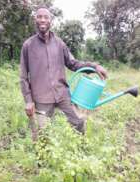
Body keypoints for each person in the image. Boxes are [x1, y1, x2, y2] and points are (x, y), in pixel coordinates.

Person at [20, 6, 107, 141]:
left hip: (62, 94)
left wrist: (94, 66)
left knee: (78, 122)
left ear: (51, 21)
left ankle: (79, 152)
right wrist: (28, 100)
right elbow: (24, 76)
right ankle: (43, 162)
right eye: (39, 17)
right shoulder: (28, 45)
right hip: (41, 98)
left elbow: (73, 63)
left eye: (46, 17)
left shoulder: (59, 44)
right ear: (35, 20)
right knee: (43, 135)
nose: (42, 20)